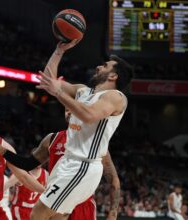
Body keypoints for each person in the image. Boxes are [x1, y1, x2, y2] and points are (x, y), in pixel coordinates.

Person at [31, 39, 132, 219]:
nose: (99, 67)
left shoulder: (116, 97)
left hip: (83, 165)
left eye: (105, 66)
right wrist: (58, 51)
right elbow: (49, 81)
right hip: (68, 162)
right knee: (56, 217)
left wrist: (58, 93)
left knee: (38, 214)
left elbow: (89, 115)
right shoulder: (83, 91)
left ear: (113, 76)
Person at [0, 109, 121, 220]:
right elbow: (27, 164)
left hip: (82, 203)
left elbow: (113, 178)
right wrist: (2, 150)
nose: (69, 111)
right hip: (55, 200)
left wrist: (113, 212)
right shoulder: (52, 139)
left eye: (73, 108)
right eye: (66, 109)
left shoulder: (96, 143)